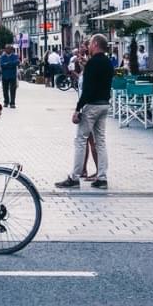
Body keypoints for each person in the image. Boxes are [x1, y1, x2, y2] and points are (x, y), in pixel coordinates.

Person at [56, 33, 113, 190]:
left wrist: (78, 108)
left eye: (89, 44)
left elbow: (87, 89)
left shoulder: (93, 63)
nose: (87, 46)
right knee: (100, 141)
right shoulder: (108, 62)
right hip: (104, 104)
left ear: (95, 44)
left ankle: (74, 177)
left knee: (81, 140)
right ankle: (102, 178)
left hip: (92, 105)